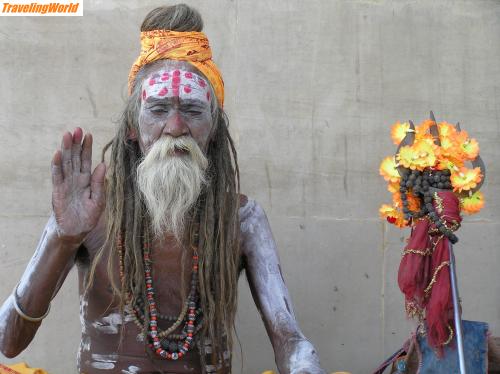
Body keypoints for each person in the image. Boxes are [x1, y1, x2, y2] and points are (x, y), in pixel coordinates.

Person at [0, 4, 325, 374]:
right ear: (133, 129)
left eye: (192, 109)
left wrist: (305, 366)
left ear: (213, 129)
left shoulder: (242, 220)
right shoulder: (89, 209)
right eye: (157, 110)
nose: (174, 127)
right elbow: (8, 340)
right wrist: (62, 238)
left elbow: (290, 340)